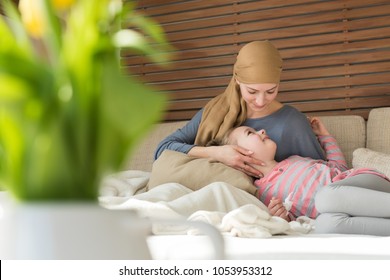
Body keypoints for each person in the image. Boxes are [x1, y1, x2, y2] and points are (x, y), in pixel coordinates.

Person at [154, 40, 325, 178]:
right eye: (252, 91)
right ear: (237, 81)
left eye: (271, 91)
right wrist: (216, 153)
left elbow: (321, 175)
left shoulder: (293, 123)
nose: (260, 101)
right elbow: (163, 149)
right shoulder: (216, 111)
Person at [213, 117, 390, 236]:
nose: (262, 131)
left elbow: (338, 168)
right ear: (240, 154)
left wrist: (324, 136)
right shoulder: (263, 194)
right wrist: (281, 218)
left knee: (326, 197)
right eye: (250, 133)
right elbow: (292, 220)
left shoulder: (294, 160)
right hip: (342, 213)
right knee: (324, 226)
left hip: (365, 184)